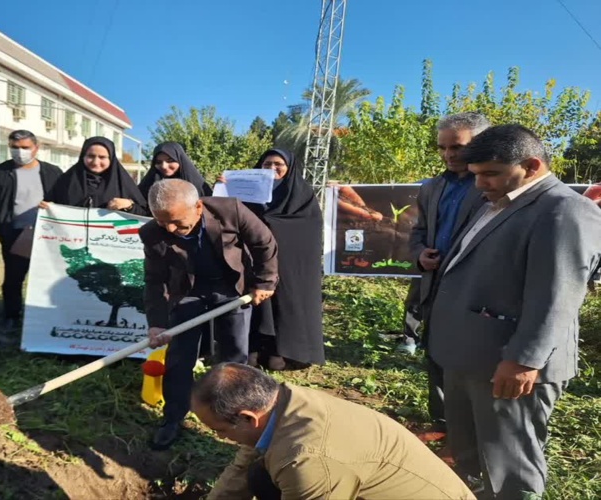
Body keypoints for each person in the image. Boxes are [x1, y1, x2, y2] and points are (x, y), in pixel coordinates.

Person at [427, 124, 601, 498]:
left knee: (510, 466)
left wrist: (524, 359)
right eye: (476, 175)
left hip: (510, 364)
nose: (480, 184)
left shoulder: (565, 211)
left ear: (532, 165)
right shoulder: (495, 203)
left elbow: (558, 296)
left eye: (491, 173)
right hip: (469, 357)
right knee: (471, 454)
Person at [195, 363, 475, 500]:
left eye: (219, 430)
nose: (221, 438)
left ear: (247, 417)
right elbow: (243, 465)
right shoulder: (282, 402)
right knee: (259, 474)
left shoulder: (307, 459)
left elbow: (309, 465)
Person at [141, 179, 278, 450]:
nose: (170, 229)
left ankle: (233, 415)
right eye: (162, 222)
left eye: (178, 222)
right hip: (188, 290)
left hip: (231, 288)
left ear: (198, 207)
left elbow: (264, 242)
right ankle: (173, 417)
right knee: (179, 356)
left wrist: (265, 281)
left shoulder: (231, 210)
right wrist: (157, 324)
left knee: (234, 355)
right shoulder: (151, 233)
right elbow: (155, 280)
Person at [408, 112, 489, 434]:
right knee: (437, 359)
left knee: (470, 365)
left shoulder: (493, 184)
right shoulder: (432, 187)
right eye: (442, 148)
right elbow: (419, 230)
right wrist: (419, 254)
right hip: (435, 287)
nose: (449, 155)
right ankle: (443, 427)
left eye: (457, 147)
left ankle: (472, 433)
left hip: (475, 292)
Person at [222, 148, 323, 371]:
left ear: (289, 168)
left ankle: (283, 352)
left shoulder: (302, 195)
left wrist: (268, 224)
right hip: (255, 259)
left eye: (278, 164)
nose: (272, 169)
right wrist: (224, 187)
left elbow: (308, 229)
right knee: (256, 303)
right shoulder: (248, 194)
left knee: (284, 305)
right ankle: (253, 350)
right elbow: (230, 214)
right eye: (267, 164)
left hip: (290, 263)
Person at [0, 130, 63, 331]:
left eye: (25, 147)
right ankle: (12, 316)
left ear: (36, 147)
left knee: (47, 276)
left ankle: (44, 315)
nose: (20, 152)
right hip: (14, 234)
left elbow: (65, 198)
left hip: (46, 235)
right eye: (15, 148)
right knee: (14, 278)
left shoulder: (53, 172)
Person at [41, 136, 149, 215]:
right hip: (72, 240)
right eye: (91, 156)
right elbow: (51, 204)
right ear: (83, 156)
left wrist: (129, 205)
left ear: (111, 159)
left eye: (102, 157)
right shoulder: (66, 181)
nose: (95, 162)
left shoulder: (122, 183)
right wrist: (47, 207)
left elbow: (143, 213)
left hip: (108, 241)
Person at [137, 142, 212, 199]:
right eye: (158, 162)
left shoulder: (198, 186)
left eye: (170, 160)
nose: (164, 166)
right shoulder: (148, 184)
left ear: (180, 160)